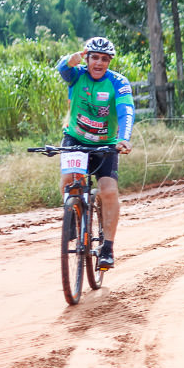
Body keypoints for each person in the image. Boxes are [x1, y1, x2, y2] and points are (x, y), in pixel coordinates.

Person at [56, 36, 135, 269]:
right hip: (75, 138)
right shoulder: (77, 74)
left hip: (106, 144)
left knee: (108, 191)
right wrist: (68, 60)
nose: (99, 63)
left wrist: (124, 138)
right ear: (86, 58)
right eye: (94, 58)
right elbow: (62, 69)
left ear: (109, 61)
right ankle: (72, 216)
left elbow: (126, 111)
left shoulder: (118, 82)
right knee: (70, 180)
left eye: (104, 59)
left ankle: (107, 248)